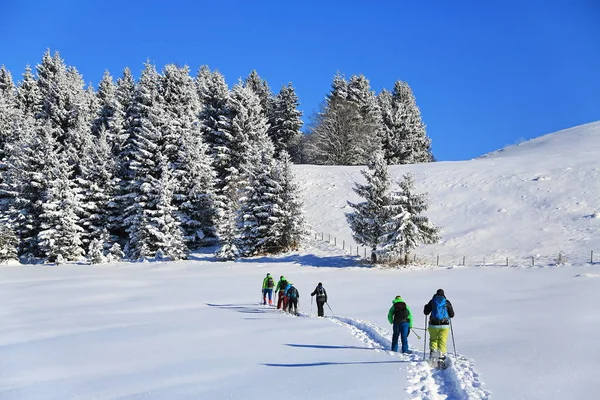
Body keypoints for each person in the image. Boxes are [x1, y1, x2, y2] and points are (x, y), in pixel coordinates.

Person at [424, 289, 455, 360]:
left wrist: (426, 307)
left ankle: (433, 352)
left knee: (433, 339)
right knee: (442, 340)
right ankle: (441, 354)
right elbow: (452, 314)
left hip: (433, 324)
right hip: (445, 325)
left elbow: (426, 312)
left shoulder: (432, 301)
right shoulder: (446, 302)